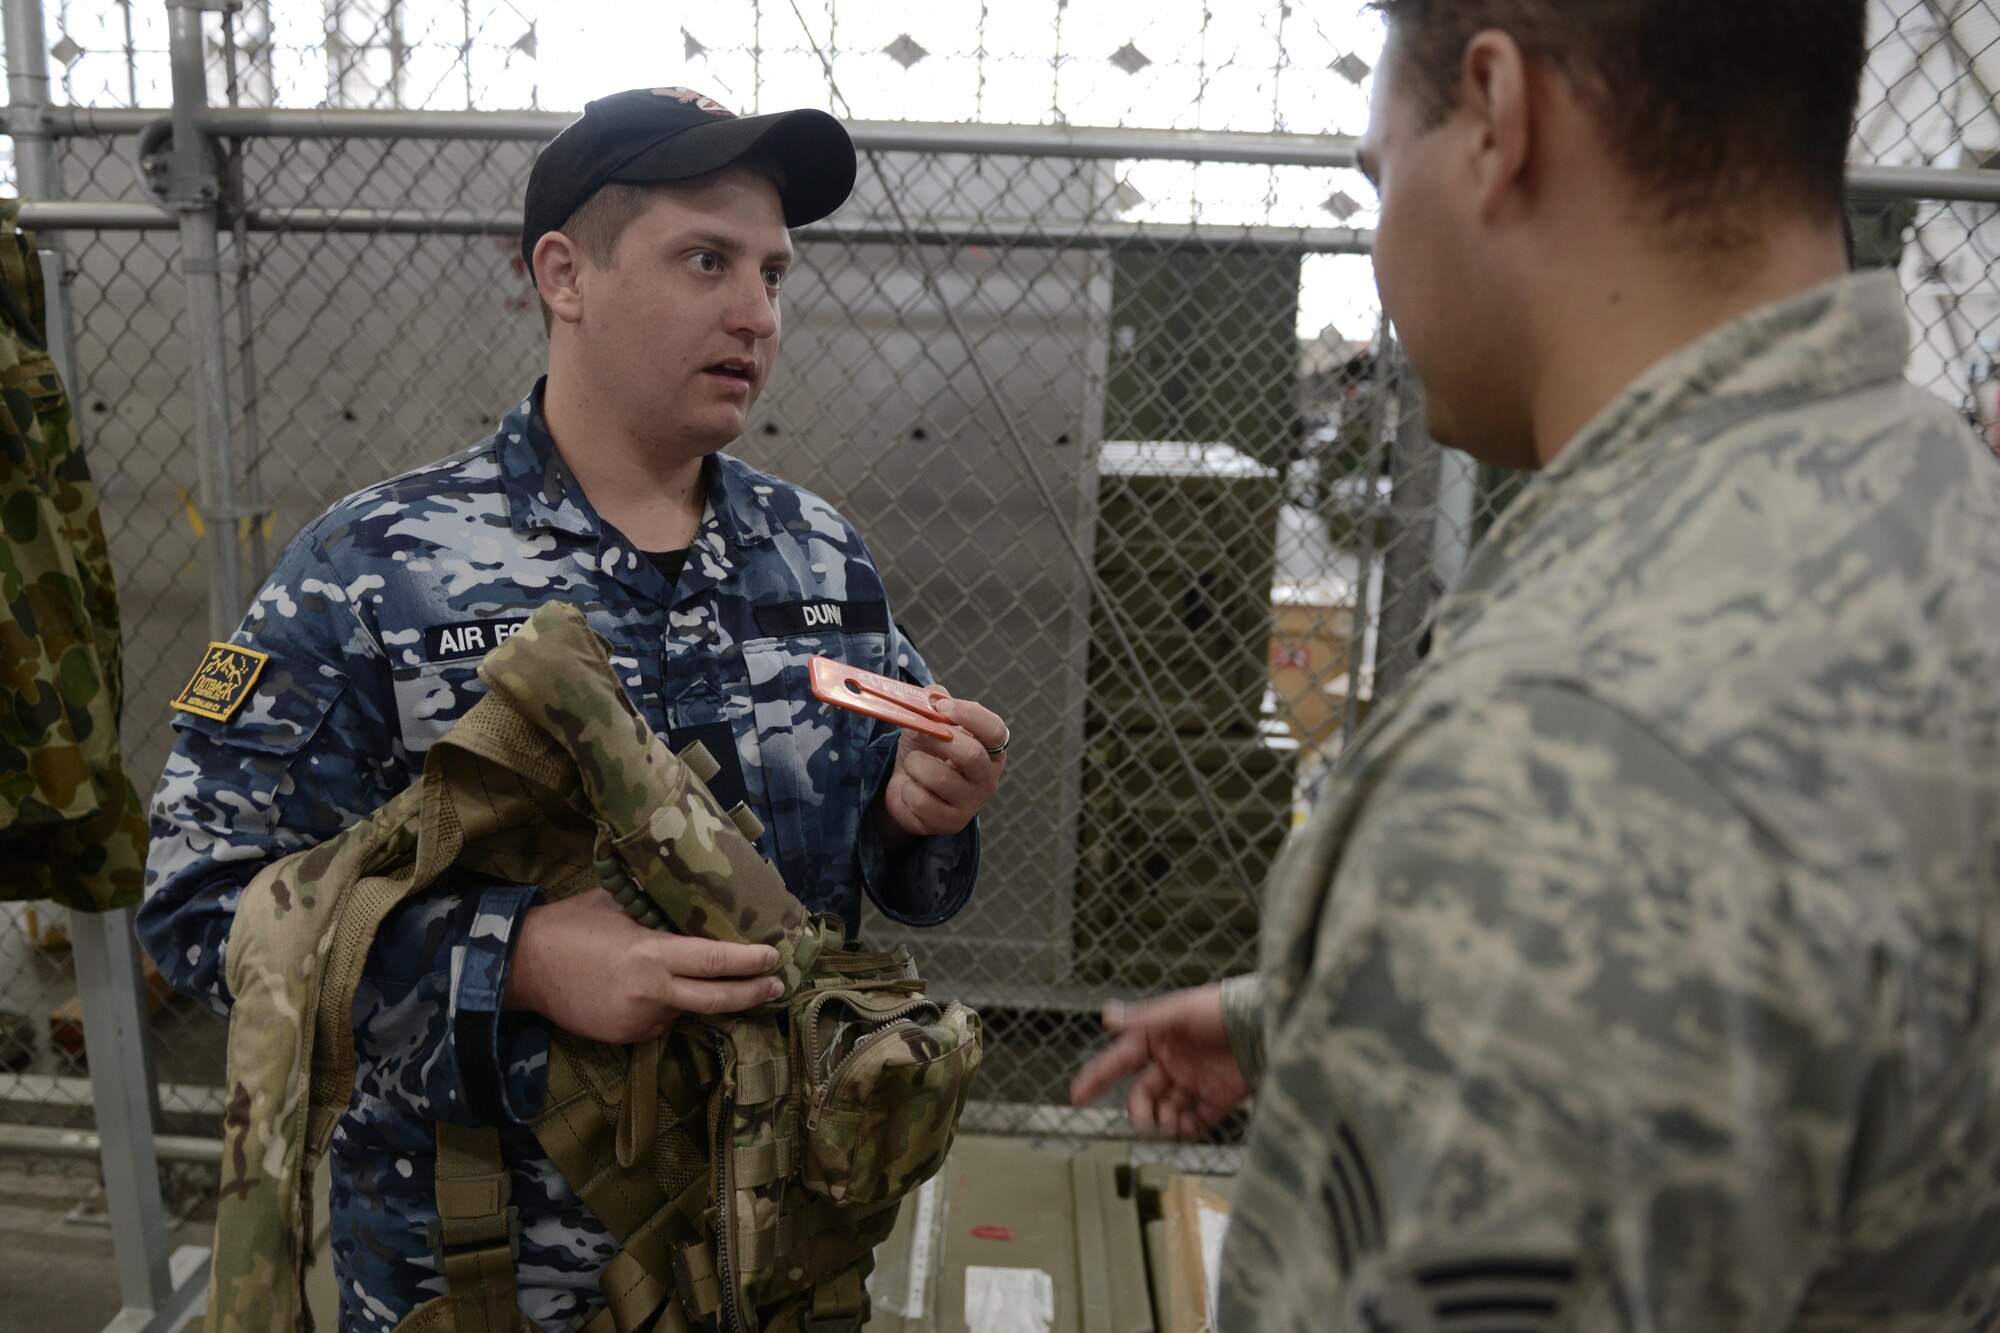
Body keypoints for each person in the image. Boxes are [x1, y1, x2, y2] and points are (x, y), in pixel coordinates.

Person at [1073, 1, 2000, 1327]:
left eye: (1380, 176)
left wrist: (1464, 932)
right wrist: (1344, 1011)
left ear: (1498, 119)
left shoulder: (1552, 753)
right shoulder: (1938, 505)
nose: (1382, 241)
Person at [139, 88, 1009, 1331]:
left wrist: (922, 814)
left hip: (782, 1262)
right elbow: (197, 907)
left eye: (771, 271)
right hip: (494, 1281)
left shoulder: (816, 556)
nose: (755, 313)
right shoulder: (377, 568)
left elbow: (887, 864)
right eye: (703, 260)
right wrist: (517, 961)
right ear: (565, 275)